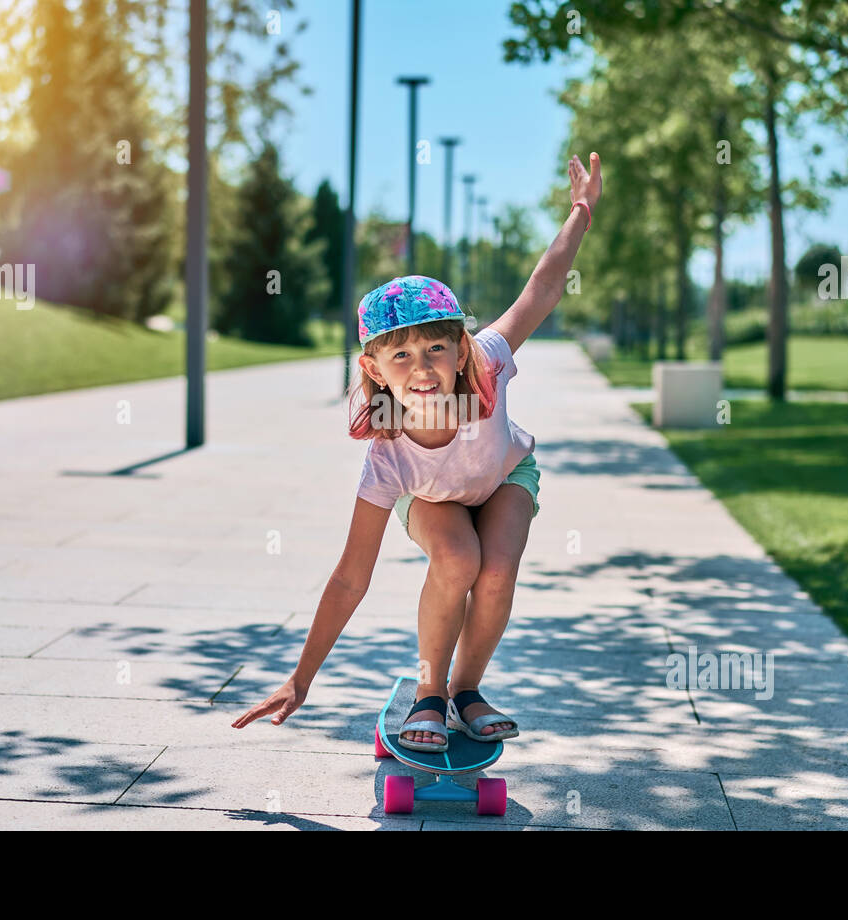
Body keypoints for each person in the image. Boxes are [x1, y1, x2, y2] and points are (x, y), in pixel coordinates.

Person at [232, 151, 603, 753]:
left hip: (505, 474)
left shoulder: (488, 364)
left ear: (461, 350)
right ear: (373, 369)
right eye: (400, 356)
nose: (423, 368)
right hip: (430, 494)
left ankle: (466, 691)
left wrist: (580, 213)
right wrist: (301, 679)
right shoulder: (389, 453)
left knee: (497, 571)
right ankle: (429, 694)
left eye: (435, 348)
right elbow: (352, 576)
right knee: (458, 559)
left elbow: (541, 290)